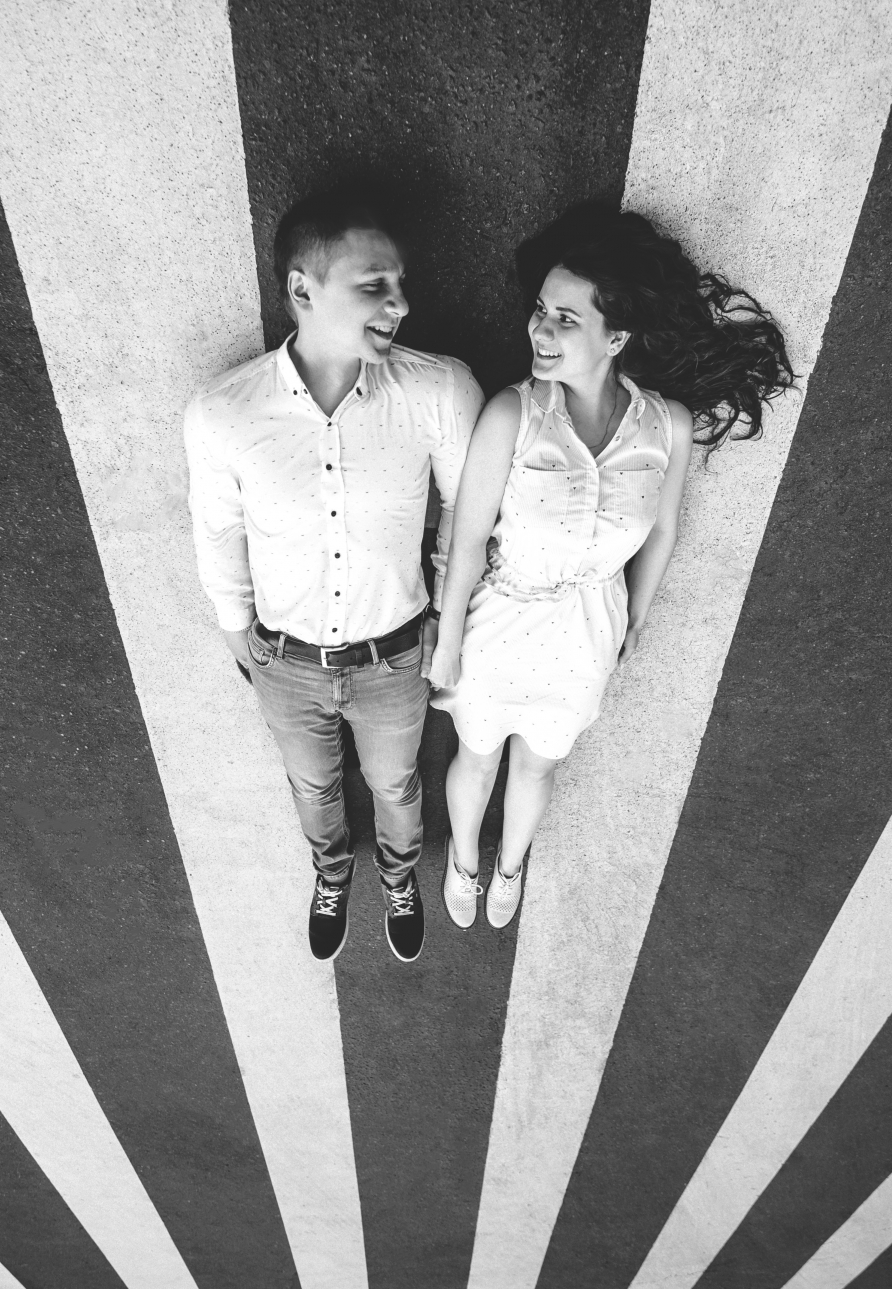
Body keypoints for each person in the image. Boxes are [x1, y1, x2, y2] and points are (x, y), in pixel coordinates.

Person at [429, 205, 794, 930]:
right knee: (478, 755)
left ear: (616, 337)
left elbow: (663, 531)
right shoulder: (511, 415)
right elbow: (467, 541)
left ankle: (510, 866)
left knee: (540, 762)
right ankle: (464, 862)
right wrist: (445, 646)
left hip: (589, 626)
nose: (540, 330)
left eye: (565, 319)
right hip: (498, 621)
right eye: (541, 310)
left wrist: (637, 620)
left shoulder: (667, 426)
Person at [185, 189, 483, 963]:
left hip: (396, 657)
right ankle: (331, 871)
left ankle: (398, 877)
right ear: (302, 289)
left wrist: (444, 626)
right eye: (375, 284)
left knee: (396, 785)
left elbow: (470, 517)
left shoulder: (440, 390)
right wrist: (238, 635)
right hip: (283, 660)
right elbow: (218, 533)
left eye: (400, 283)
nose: (400, 304)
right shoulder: (222, 413)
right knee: (313, 787)